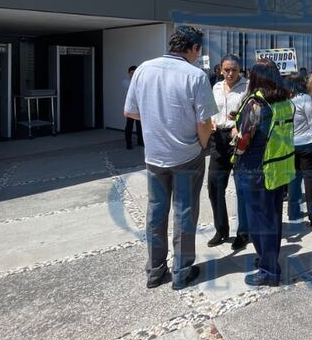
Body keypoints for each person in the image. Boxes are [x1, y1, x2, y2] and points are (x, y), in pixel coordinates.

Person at [124, 25, 217, 290]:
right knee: (185, 213)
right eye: (199, 51)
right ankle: (181, 270)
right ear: (194, 48)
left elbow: (130, 111)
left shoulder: (143, 69)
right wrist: (203, 144)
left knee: (156, 211)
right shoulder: (195, 75)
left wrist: (157, 121)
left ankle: (155, 270)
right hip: (187, 154)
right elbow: (204, 121)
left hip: (154, 155)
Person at [232, 59, 295, 287]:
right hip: (279, 167)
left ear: (256, 79)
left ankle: (268, 270)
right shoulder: (286, 102)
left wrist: (234, 137)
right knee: (273, 219)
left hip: (255, 169)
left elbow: (243, 141)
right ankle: (268, 260)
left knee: (259, 222)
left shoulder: (255, 104)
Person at [206, 54, 251, 250]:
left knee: (242, 188)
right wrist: (211, 121)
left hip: (238, 139)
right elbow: (210, 109)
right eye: (226, 70)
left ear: (239, 69)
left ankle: (243, 232)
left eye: (233, 70)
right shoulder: (216, 86)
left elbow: (252, 112)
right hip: (218, 140)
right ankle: (221, 229)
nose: (230, 73)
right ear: (220, 70)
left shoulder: (247, 87)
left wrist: (239, 125)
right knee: (214, 186)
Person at [287, 74, 312, 226]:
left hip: (290, 144)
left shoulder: (284, 100)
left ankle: (293, 212)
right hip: (306, 144)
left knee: (293, 180)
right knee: (310, 180)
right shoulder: (305, 98)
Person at [124, 65, 144, 150]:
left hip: (139, 106)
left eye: (134, 73)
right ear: (128, 74)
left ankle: (140, 141)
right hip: (130, 107)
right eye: (131, 73)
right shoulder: (126, 82)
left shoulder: (140, 82)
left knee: (139, 125)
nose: (133, 74)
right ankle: (128, 143)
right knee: (129, 125)